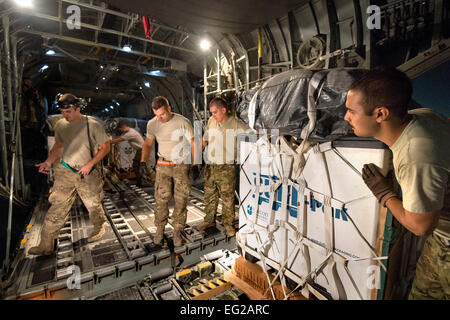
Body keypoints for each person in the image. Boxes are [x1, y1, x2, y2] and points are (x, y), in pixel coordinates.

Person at [344, 67, 450, 300]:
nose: (346, 118)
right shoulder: (424, 115)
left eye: (352, 111)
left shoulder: (416, 155)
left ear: (380, 114)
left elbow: (421, 226)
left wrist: (385, 194)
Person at [28, 93, 110, 256]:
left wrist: (90, 164)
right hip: (65, 171)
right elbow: (58, 146)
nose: (65, 115)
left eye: (69, 112)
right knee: (57, 206)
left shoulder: (92, 124)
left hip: (87, 172)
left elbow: (105, 147)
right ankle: (46, 244)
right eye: (63, 112)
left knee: (93, 204)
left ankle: (99, 226)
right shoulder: (60, 125)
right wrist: (48, 162)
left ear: (78, 109)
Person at [140, 96, 197, 247]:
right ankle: (160, 229)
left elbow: (193, 142)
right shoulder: (153, 124)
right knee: (161, 199)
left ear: (169, 108)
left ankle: (177, 230)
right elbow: (147, 144)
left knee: (181, 199)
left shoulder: (182, 122)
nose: (160, 118)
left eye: (162, 114)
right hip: (163, 165)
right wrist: (142, 161)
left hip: (181, 165)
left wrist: (196, 164)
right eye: (157, 115)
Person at [197, 97, 249, 237]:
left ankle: (228, 224)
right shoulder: (211, 121)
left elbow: (252, 136)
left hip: (226, 167)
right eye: (211, 112)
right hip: (211, 166)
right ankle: (209, 221)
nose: (212, 115)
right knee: (209, 196)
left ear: (223, 110)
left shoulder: (236, 124)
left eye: (215, 112)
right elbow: (205, 139)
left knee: (227, 198)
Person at [109, 119, 155, 186]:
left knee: (145, 166)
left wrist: (105, 142)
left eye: (121, 128)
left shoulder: (131, 133)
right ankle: (141, 181)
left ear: (125, 126)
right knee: (135, 165)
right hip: (140, 150)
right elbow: (119, 137)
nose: (120, 130)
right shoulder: (128, 132)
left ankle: (155, 180)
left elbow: (117, 140)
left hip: (143, 150)